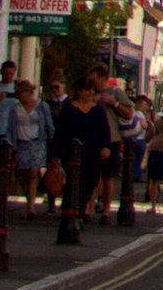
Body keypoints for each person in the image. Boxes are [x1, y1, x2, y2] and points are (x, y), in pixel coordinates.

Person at [48, 75, 118, 230]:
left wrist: (106, 147)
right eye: (87, 90)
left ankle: (77, 211)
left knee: (90, 183)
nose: (90, 93)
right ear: (79, 91)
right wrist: (55, 155)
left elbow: (104, 131)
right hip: (71, 153)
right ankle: (73, 213)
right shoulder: (69, 109)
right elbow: (60, 133)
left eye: (92, 90)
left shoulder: (97, 110)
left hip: (92, 153)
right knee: (73, 184)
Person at [0, 80, 53, 221]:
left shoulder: (42, 106)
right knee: (23, 175)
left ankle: (31, 207)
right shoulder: (15, 109)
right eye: (18, 93)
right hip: (21, 143)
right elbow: (10, 129)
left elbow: (49, 125)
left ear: (29, 92)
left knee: (34, 172)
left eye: (22, 92)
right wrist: (11, 145)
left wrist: (52, 141)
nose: (20, 96)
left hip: (37, 142)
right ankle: (29, 198)